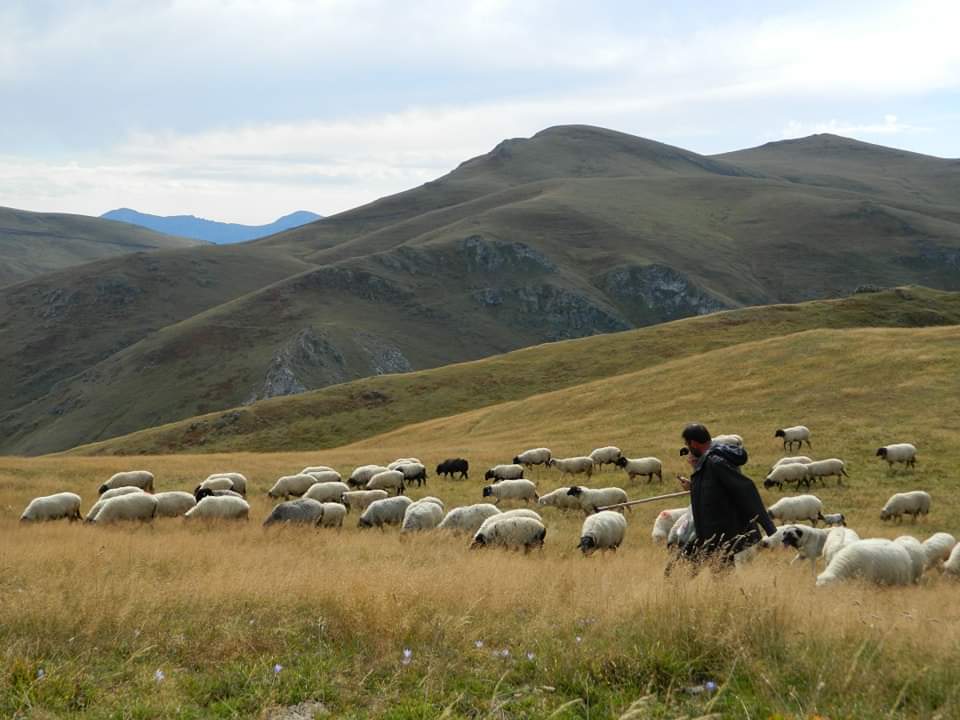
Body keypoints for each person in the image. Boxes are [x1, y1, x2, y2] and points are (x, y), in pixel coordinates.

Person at [675, 422, 775, 568]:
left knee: (682, 572)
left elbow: (745, 489)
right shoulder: (705, 463)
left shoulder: (716, 463)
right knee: (711, 573)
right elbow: (714, 490)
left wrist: (768, 526)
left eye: (687, 444)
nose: (688, 449)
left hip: (719, 533)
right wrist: (692, 486)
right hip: (707, 532)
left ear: (694, 443)